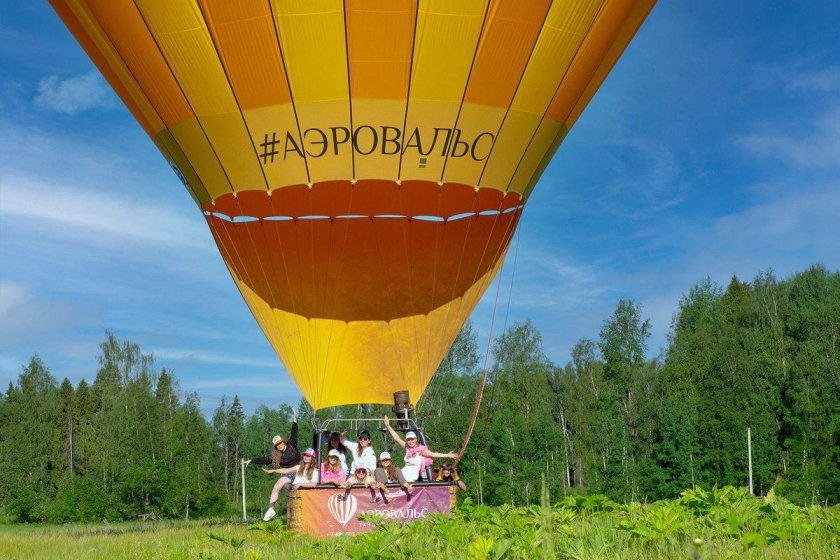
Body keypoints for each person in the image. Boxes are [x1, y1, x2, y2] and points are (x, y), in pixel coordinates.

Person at [242, 409, 301, 521]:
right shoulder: (276, 455)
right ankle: (271, 509)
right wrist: (252, 460)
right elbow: (265, 459)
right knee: (277, 486)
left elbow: (294, 432)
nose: (279, 446)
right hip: (287, 474)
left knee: (295, 489)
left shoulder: (292, 445)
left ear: (283, 442)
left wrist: (294, 419)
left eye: (280, 443)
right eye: (276, 445)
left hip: (300, 471)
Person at [383, 416, 458, 481]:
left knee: (391, 476)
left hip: (411, 476)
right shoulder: (407, 448)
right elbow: (397, 438)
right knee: (386, 473)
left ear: (416, 439)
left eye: (412, 439)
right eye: (409, 440)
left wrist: (448, 455)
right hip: (403, 472)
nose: (410, 441)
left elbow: (434, 454)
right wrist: (388, 426)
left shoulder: (421, 450)